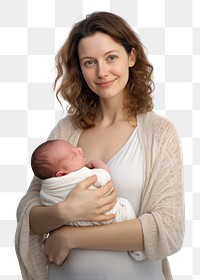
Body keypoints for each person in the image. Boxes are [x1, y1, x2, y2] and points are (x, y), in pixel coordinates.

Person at [15, 11, 184, 280]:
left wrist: (70, 236)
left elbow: (168, 229)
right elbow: (28, 214)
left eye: (111, 57)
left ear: (131, 57)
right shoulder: (66, 130)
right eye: (89, 62)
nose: (102, 72)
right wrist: (65, 211)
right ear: (79, 68)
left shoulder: (158, 132)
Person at [31, 139, 146, 261]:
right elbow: (104, 178)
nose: (79, 149)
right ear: (61, 174)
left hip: (76, 225)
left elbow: (41, 207)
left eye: (74, 147)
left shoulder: (46, 189)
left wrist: (66, 235)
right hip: (105, 217)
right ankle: (137, 251)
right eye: (73, 155)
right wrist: (101, 166)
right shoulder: (81, 175)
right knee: (124, 206)